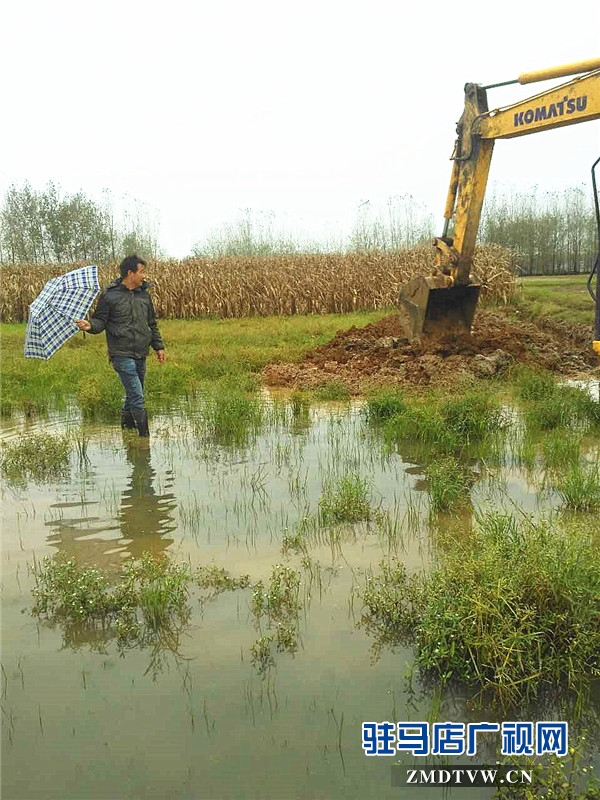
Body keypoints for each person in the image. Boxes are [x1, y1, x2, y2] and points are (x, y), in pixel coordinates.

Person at [75, 255, 166, 437]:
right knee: (137, 396)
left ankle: (127, 431)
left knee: (134, 393)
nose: (144, 276)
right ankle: (144, 442)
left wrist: (158, 346)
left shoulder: (144, 296)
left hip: (141, 351)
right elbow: (100, 321)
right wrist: (90, 325)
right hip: (121, 353)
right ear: (130, 273)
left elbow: (152, 323)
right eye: (142, 272)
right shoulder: (110, 296)